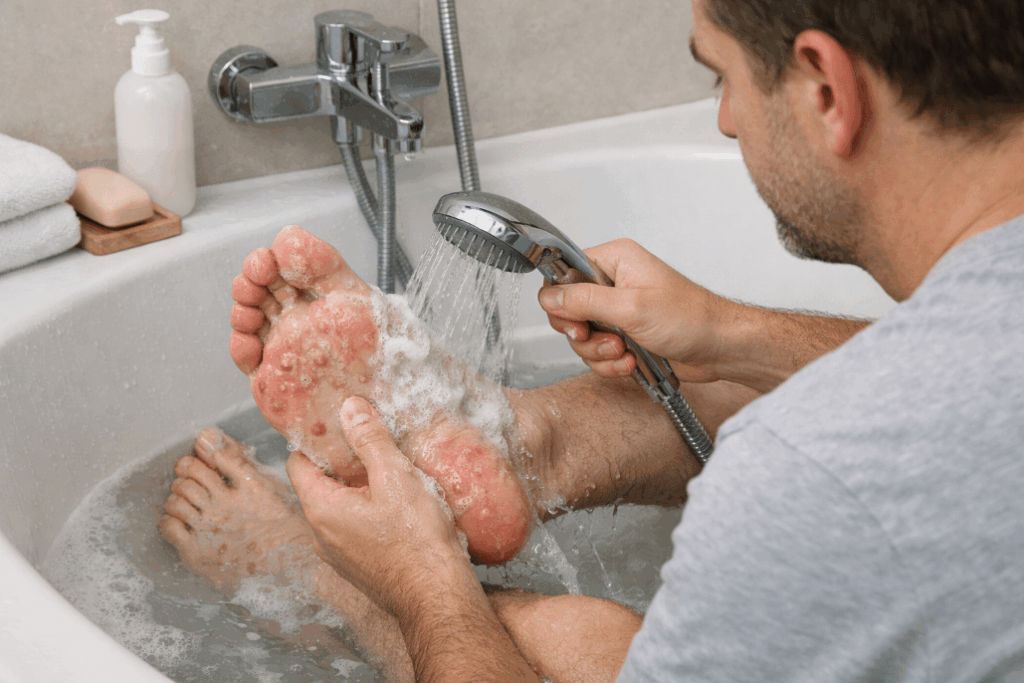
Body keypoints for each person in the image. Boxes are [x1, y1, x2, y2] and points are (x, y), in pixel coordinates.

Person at [161, 0, 1024, 679]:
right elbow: (954, 380)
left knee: (588, 642)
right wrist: (733, 333)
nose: (724, 121)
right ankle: (522, 441)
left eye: (720, 78)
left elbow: (873, 440)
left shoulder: (807, 475)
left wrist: (420, 584)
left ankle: (352, 575)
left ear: (827, 90)